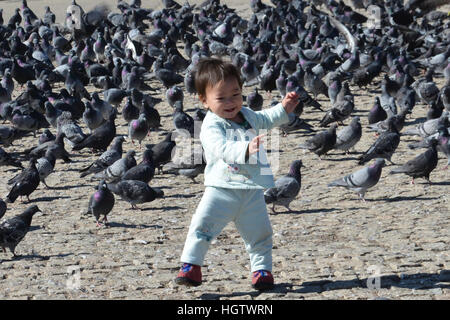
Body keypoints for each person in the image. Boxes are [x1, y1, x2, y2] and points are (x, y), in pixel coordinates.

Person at [175, 57, 299, 290]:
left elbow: (266, 118)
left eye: (236, 94)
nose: (231, 102)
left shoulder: (248, 114)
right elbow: (221, 147)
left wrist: (284, 108)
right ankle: (191, 266)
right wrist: (245, 149)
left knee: (260, 233)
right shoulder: (211, 125)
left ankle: (261, 271)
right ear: (204, 101)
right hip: (221, 189)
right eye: (221, 98)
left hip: (251, 190)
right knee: (201, 226)